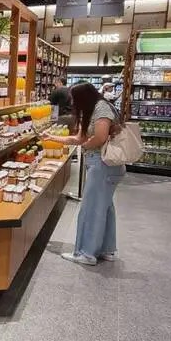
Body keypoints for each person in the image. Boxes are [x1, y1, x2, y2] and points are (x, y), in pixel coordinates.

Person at [47, 81, 124, 266]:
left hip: (103, 165)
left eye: (74, 98)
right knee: (104, 207)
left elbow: (100, 137)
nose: (72, 102)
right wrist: (53, 138)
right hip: (104, 165)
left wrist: (87, 146)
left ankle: (87, 253)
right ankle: (106, 249)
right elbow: (79, 138)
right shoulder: (93, 109)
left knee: (91, 209)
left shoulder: (101, 108)